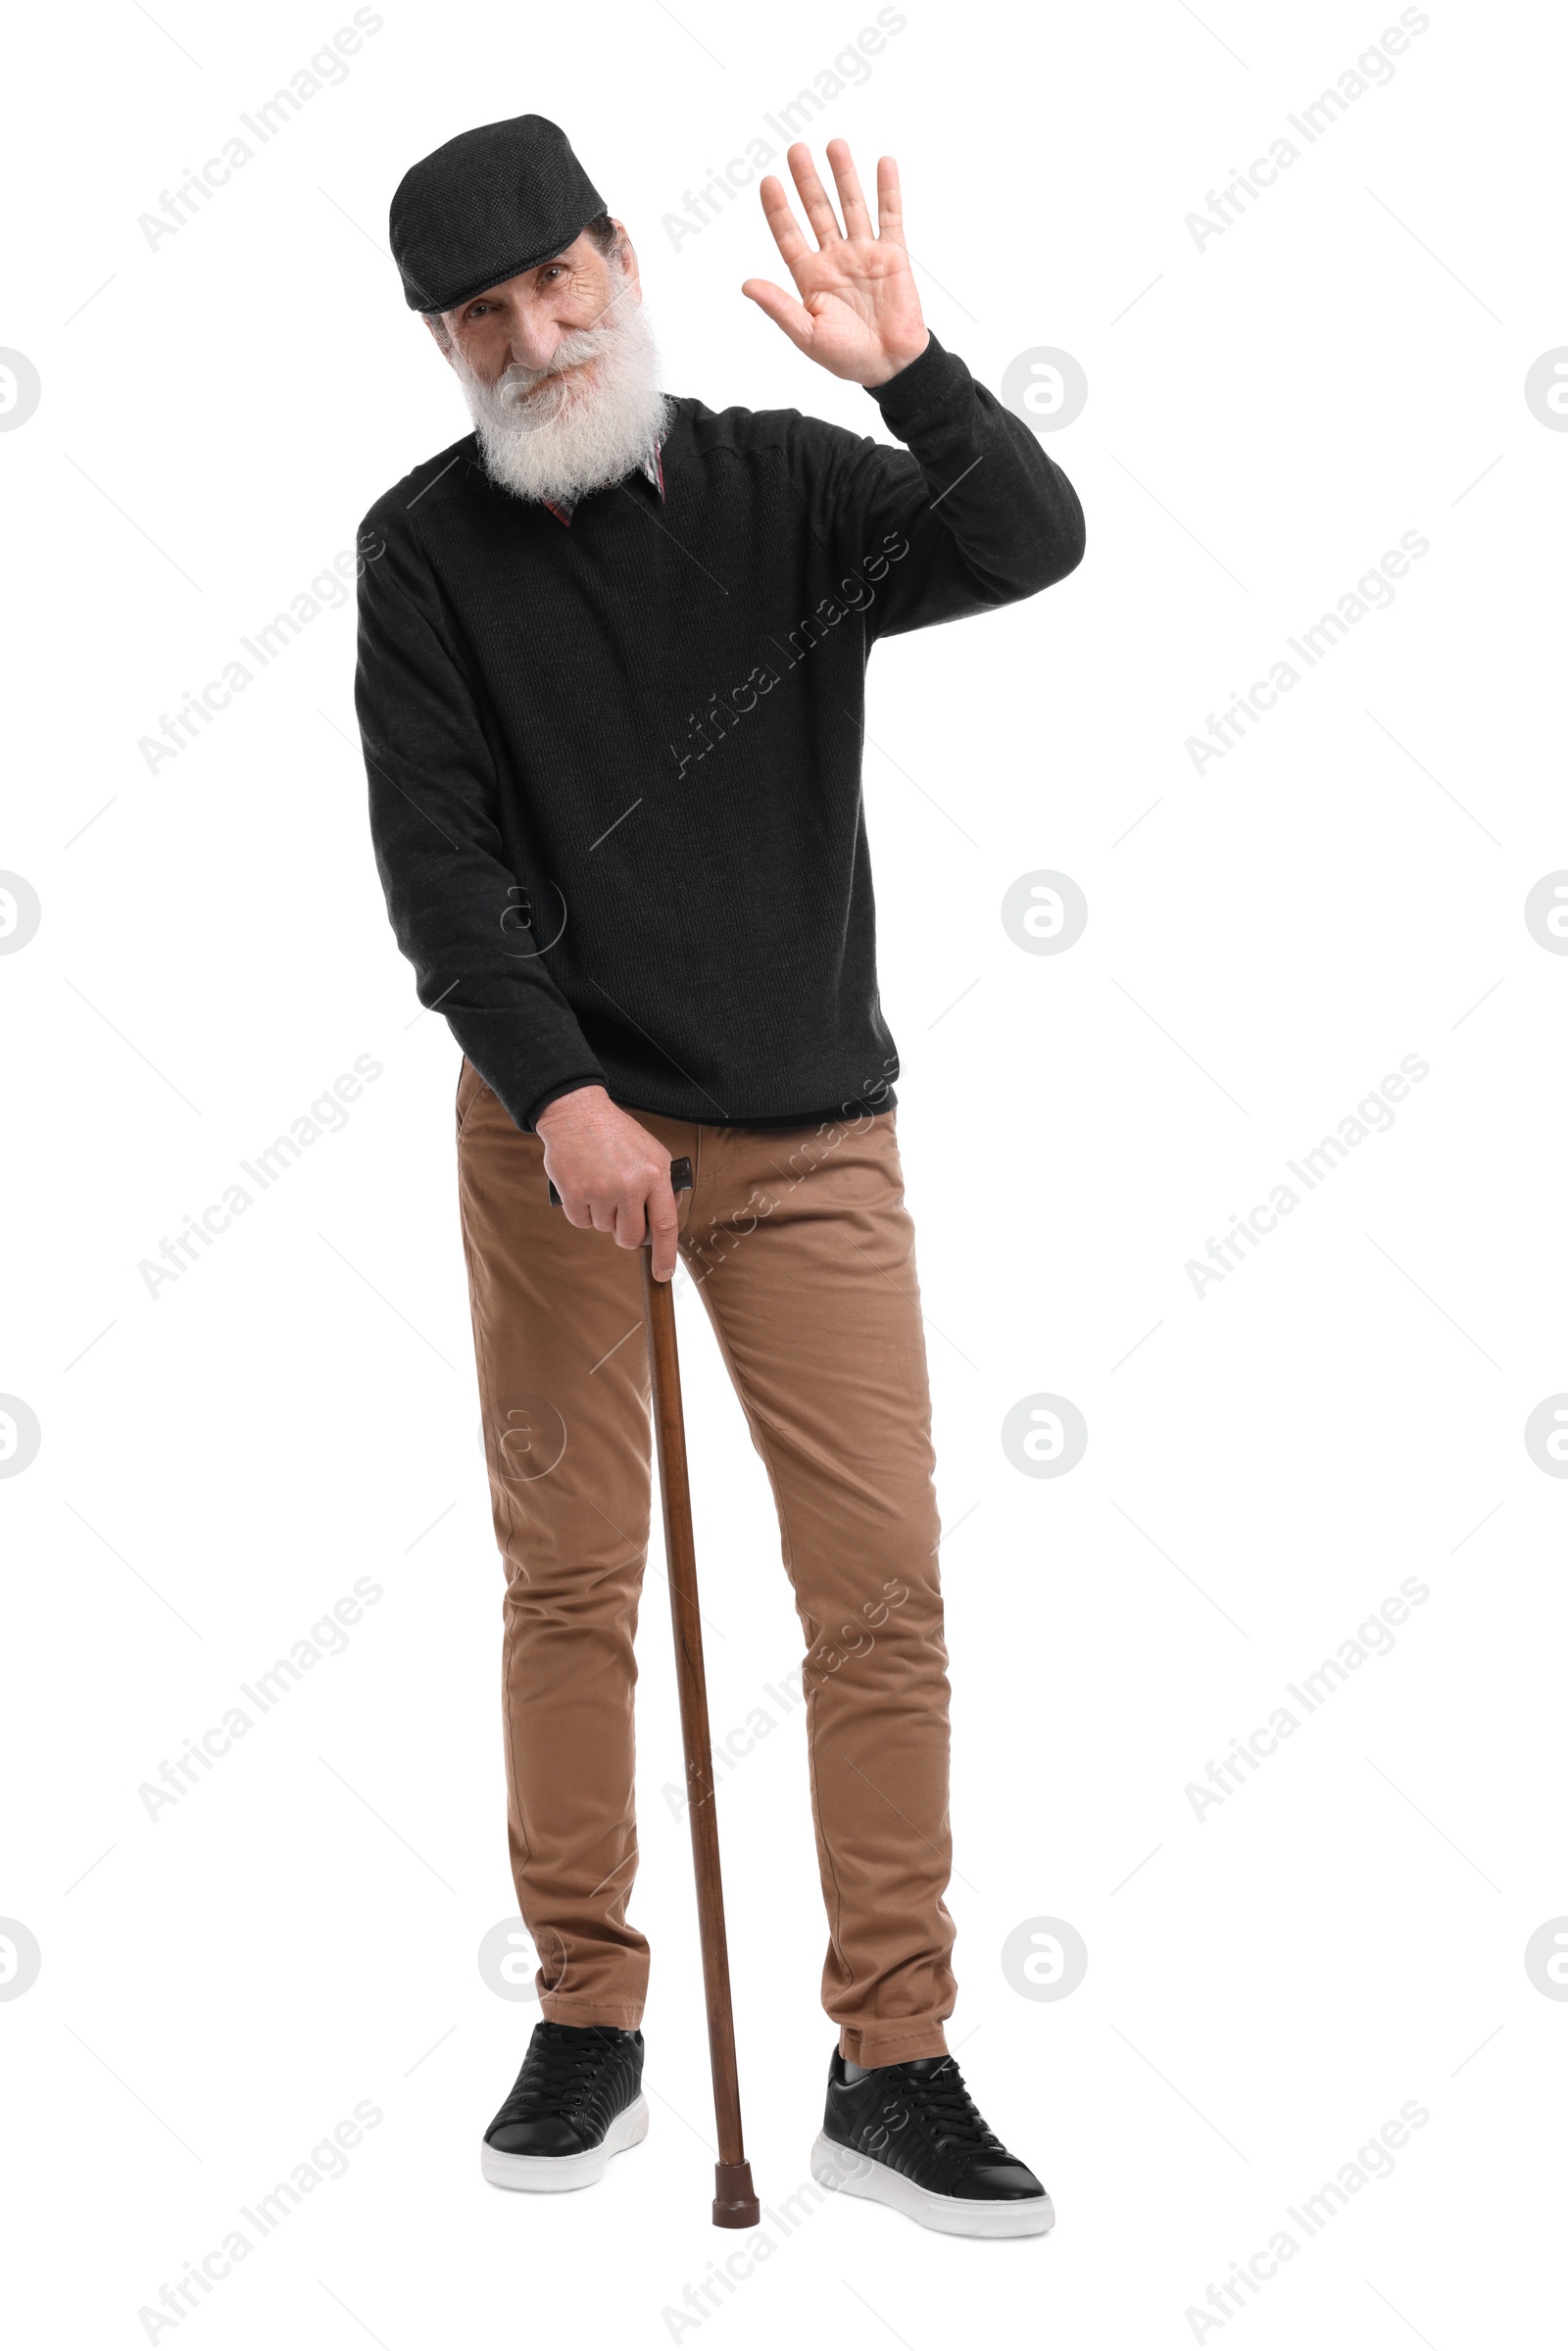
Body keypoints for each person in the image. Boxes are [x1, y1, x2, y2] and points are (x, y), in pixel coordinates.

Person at [357, 112, 1084, 2237]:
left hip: (804, 1137)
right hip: (553, 1142)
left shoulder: (784, 485)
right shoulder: (424, 556)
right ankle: (589, 2010)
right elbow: (442, 875)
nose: (527, 335)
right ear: (445, 343)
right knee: (572, 1580)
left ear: (615, 259)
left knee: (878, 1599)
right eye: (476, 316)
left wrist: (911, 372)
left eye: (550, 283)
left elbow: (1025, 545)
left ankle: (895, 2054)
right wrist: (563, 1097)